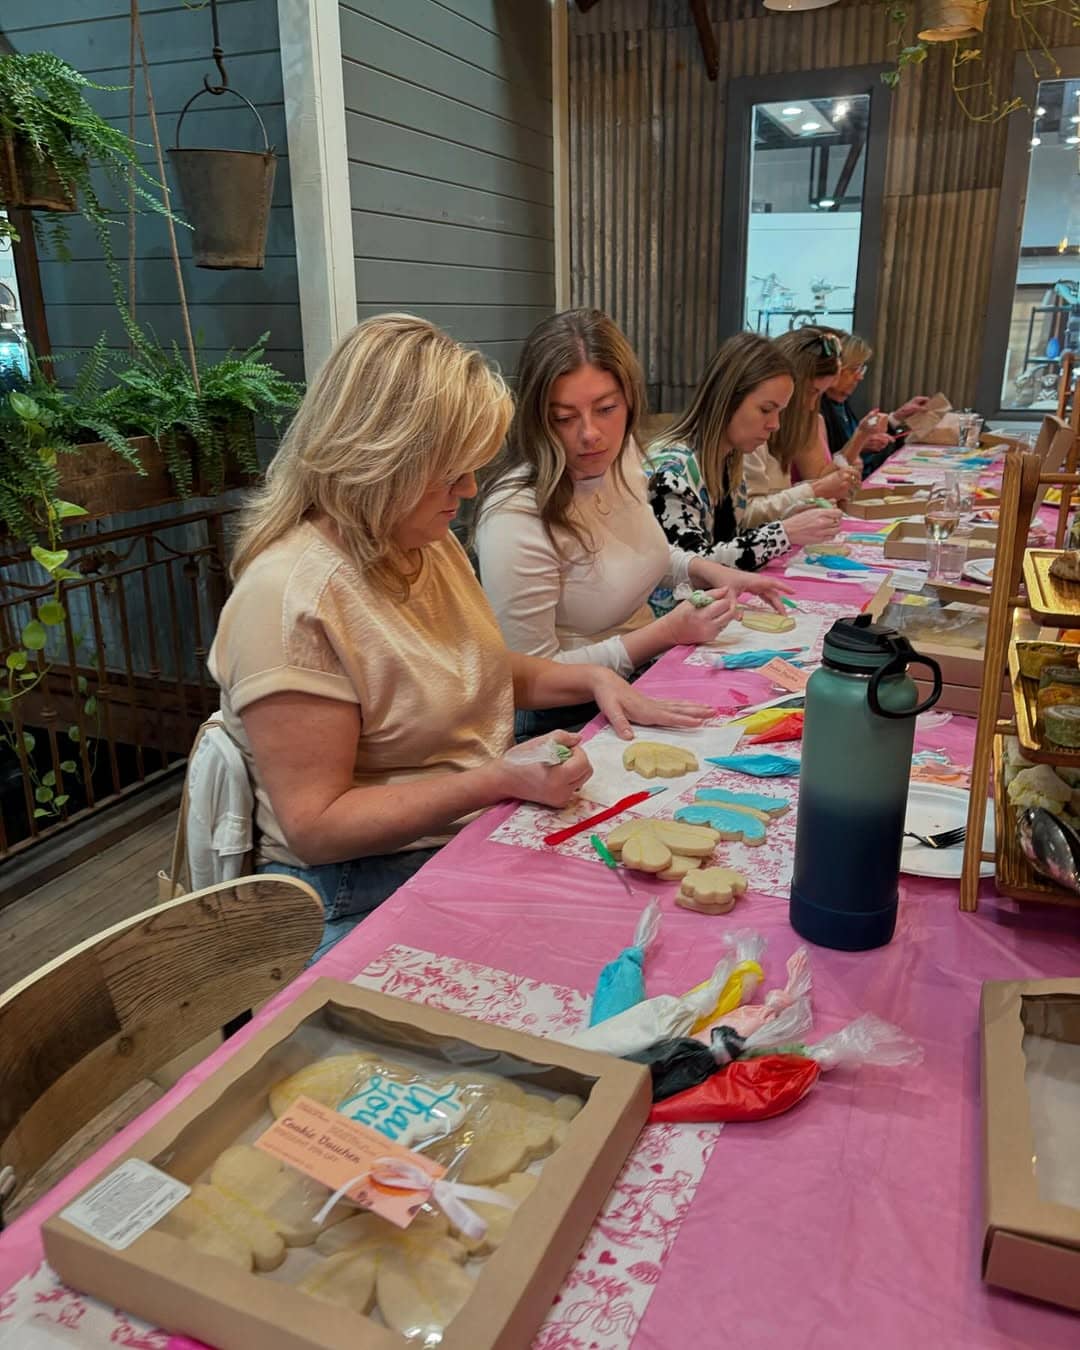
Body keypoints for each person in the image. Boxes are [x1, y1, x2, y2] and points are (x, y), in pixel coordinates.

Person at [208, 315, 714, 956]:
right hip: (354, 888)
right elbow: (316, 826)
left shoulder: (421, 539)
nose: (470, 490)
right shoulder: (290, 596)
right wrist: (497, 780)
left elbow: (474, 663)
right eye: (450, 473)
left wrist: (592, 676)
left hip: (461, 836)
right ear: (377, 460)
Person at [473, 309, 791, 736]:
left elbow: (637, 552)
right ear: (536, 418)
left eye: (606, 409)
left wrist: (702, 569)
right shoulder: (515, 515)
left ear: (630, 401)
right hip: (565, 716)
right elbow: (531, 679)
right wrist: (664, 634)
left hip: (649, 673)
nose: (591, 434)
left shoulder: (619, 456)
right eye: (564, 418)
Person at [644, 331, 843, 606]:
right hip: (670, 623)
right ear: (727, 399)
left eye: (780, 412)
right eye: (765, 410)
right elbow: (696, 569)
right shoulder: (672, 472)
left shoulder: (729, 458)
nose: (775, 425)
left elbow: (729, 533)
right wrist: (781, 533)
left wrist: (789, 516)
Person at [742, 327, 861, 521]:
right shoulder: (751, 432)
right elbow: (744, 516)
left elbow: (777, 498)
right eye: (810, 392)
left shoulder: (786, 427)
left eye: (820, 395)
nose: (812, 404)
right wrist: (815, 490)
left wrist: (807, 502)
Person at [820, 331, 931, 478]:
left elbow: (856, 440)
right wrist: (860, 444)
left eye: (862, 369)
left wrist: (897, 417)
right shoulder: (818, 409)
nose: (860, 376)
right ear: (835, 369)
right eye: (854, 370)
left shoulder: (841, 403)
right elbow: (821, 470)